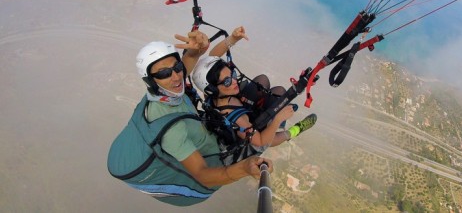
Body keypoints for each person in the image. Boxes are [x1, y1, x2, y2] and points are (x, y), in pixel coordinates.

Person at [107, 30, 273, 207]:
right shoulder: (171, 130)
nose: (176, 76)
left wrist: (196, 50)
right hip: (218, 158)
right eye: (163, 73)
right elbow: (203, 175)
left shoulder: (166, 93)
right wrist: (244, 168)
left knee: (261, 89)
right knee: (271, 114)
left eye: (176, 67)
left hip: (208, 134)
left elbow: (185, 69)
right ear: (151, 80)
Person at [191, 27, 317, 164]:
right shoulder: (237, 119)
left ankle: (272, 118)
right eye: (227, 82)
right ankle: (295, 130)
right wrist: (277, 119)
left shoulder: (211, 93)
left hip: (242, 108)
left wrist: (232, 39)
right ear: (214, 89)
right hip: (251, 134)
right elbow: (260, 141)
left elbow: (213, 56)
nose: (234, 81)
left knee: (262, 80)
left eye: (232, 74)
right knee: (280, 93)